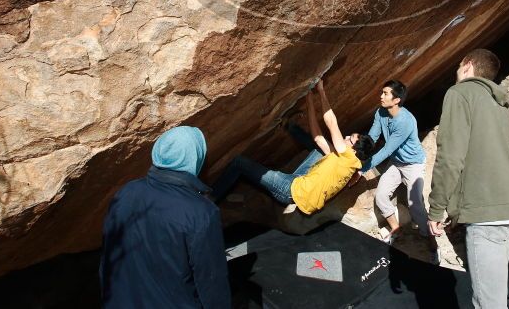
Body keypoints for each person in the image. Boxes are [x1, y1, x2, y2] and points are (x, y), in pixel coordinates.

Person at [428, 49, 509, 309]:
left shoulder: (459, 93)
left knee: (487, 304)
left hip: (485, 212)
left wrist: (436, 209)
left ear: (468, 65)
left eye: (459, 66)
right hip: (508, 208)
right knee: (493, 298)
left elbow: (450, 157)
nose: (457, 71)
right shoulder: (499, 104)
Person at [100, 126, 230, 309]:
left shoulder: (126, 192)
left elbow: (107, 259)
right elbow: (212, 282)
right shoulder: (201, 212)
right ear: (196, 157)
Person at [211, 80, 374, 215]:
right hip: (301, 182)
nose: (345, 138)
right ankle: (289, 125)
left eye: (349, 139)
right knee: (318, 148)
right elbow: (318, 137)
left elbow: (331, 122)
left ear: (354, 150)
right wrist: (309, 99)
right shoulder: (346, 163)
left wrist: (321, 90)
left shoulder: (348, 157)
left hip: (290, 190)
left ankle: (210, 200)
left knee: (239, 163)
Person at [350, 80, 438, 260]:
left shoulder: (405, 121)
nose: (381, 96)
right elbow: (372, 138)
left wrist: (362, 169)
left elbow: (387, 149)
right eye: (381, 92)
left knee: (416, 204)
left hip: (413, 164)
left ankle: (432, 241)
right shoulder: (380, 112)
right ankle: (396, 229)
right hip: (396, 163)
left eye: (386, 93)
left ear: (396, 100)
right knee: (381, 196)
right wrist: (355, 155)